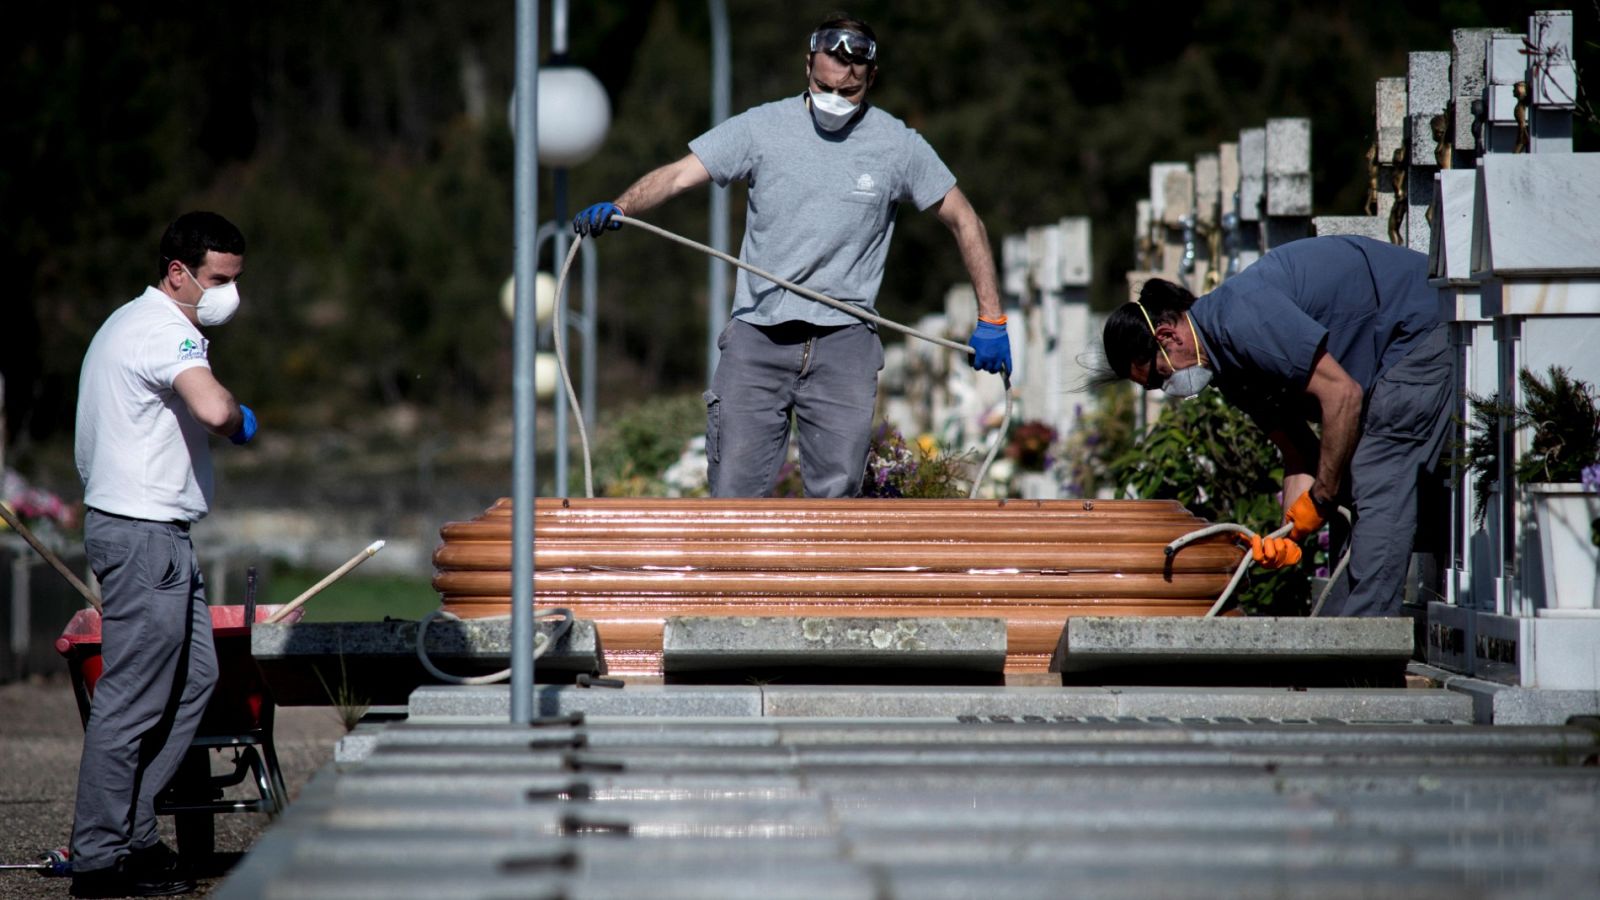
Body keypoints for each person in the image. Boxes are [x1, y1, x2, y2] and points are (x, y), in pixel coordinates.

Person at [573, 13, 1010, 498]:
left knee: (837, 498)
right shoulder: (762, 128)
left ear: (872, 79)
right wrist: (622, 205)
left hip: (845, 342)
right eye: (824, 87)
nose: (835, 100)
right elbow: (678, 175)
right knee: (735, 494)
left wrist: (992, 318)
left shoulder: (898, 146)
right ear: (807, 66)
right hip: (758, 337)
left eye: (849, 92)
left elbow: (965, 219)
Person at [1101, 235, 1452, 618]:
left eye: (1159, 378)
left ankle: (1363, 647)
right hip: (1387, 357)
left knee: (1374, 472)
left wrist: (1320, 497)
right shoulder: (1226, 370)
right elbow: (1299, 452)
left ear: (1167, 337)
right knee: (1347, 480)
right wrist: (1289, 531)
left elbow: (1342, 395)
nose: (1167, 389)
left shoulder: (1240, 318)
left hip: (1422, 325)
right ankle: (1342, 629)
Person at [69, 211, 257, 897]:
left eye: (235, 280)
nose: (226, 295)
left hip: (153, 536)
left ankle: (135, 833)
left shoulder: (125, 322)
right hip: (145, 537)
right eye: (215, 280)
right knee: (131, 703)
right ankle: (98, 859)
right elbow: (211, 410)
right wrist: (240, 419)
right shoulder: (166, 330)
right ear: (177, 272)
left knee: (194, 681)